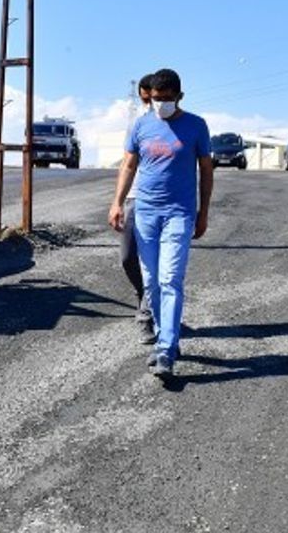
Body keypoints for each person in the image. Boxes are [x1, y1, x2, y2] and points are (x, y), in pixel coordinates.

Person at [109, 68, 212, 380]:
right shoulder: (141, 125)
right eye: (156, 99)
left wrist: (203, 212)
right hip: (146, 213)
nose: (161, 104)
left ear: (179, 96)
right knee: (151, 281)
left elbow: (206, 172)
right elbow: (129, 165)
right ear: (149, 98)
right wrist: (117, 202)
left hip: (179, 213)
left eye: (167, 99)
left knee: (170, 279)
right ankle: (165, 334)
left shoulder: (196, 126)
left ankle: (166, 349)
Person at [120, 74, 156, 342]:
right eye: (144, 98)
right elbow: (128, 163)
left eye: (151, 98)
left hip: (163, 202)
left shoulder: (178, 123)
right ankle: (143, 292)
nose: (148, 103)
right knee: (127, 257)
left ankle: (147, 315)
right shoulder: (136, 122)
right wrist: (117, 202)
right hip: (135, 197)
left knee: (157, 265)